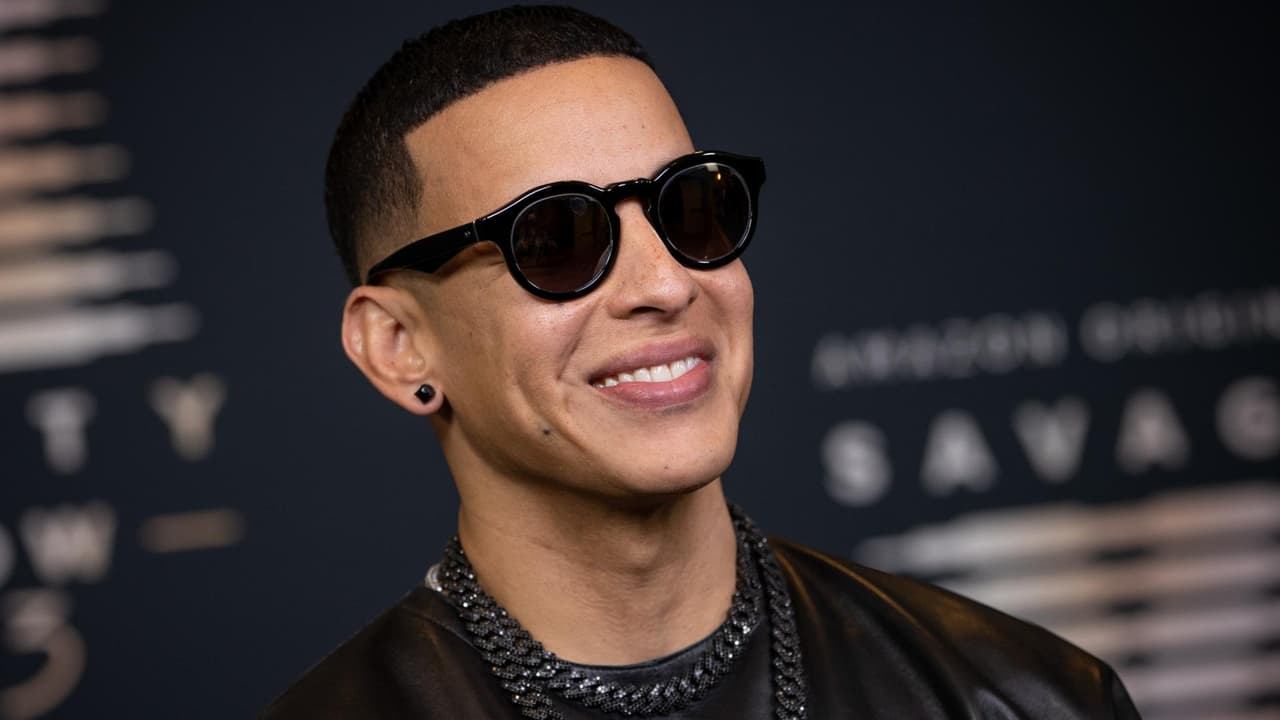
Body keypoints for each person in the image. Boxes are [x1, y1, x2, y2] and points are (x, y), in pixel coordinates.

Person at [262, 6, 1140, 719]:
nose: (667, 283)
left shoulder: (1023, 699)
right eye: (556, 240)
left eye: (690, 208)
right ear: (399, 344)